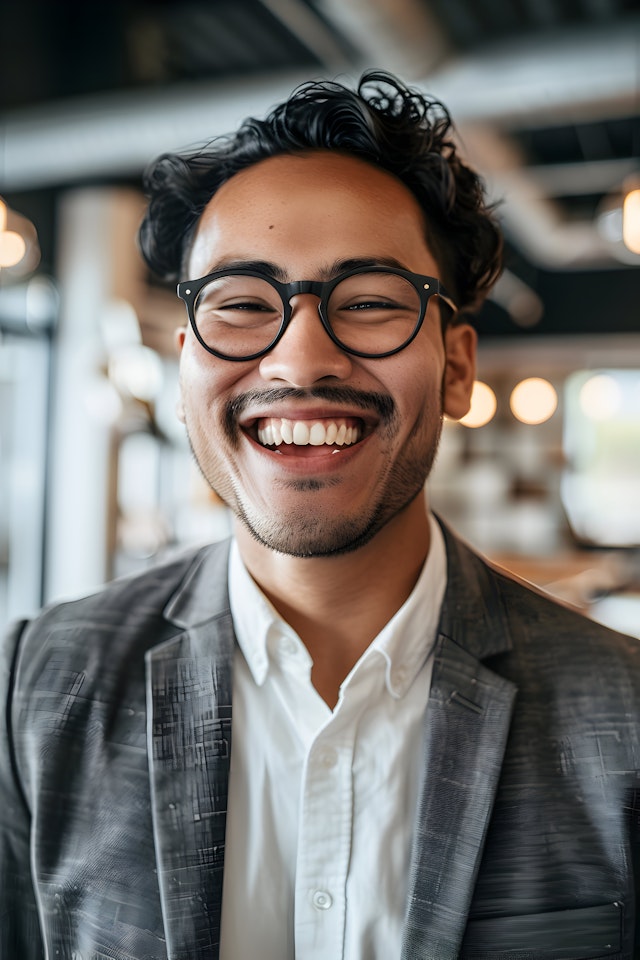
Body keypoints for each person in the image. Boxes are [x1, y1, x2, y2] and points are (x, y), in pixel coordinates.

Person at [1, 70, 639, 960]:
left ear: (457, 367)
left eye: (371, 301)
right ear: (184, 373)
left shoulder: (625, 715)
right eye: (242, 305)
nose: (300, 358)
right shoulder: (34, 690)